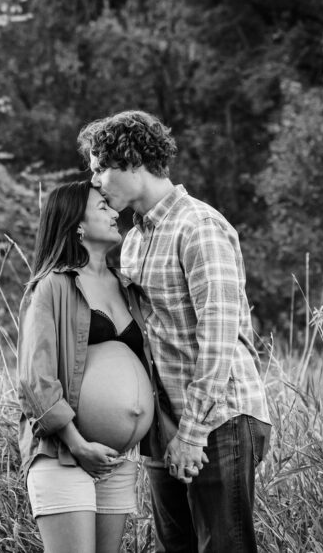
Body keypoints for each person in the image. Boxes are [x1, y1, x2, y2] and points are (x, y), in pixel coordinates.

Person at [78, 110, 273, 553]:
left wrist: (193, 432)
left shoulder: (198, 226)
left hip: (218, 417)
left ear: (130, 162)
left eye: (99, 169)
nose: (96, 183)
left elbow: (219, 336)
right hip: (165, 425)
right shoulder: (134, 240)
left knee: (222, 548)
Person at [17, 180, 154, 553]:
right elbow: (35, 378)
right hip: (64, 455)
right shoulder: (52, 287)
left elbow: (147, 370)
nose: (115, 213)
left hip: (115, 460)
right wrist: (78, 445)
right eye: (103, 208)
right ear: (78, 225)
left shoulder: (128, 287)